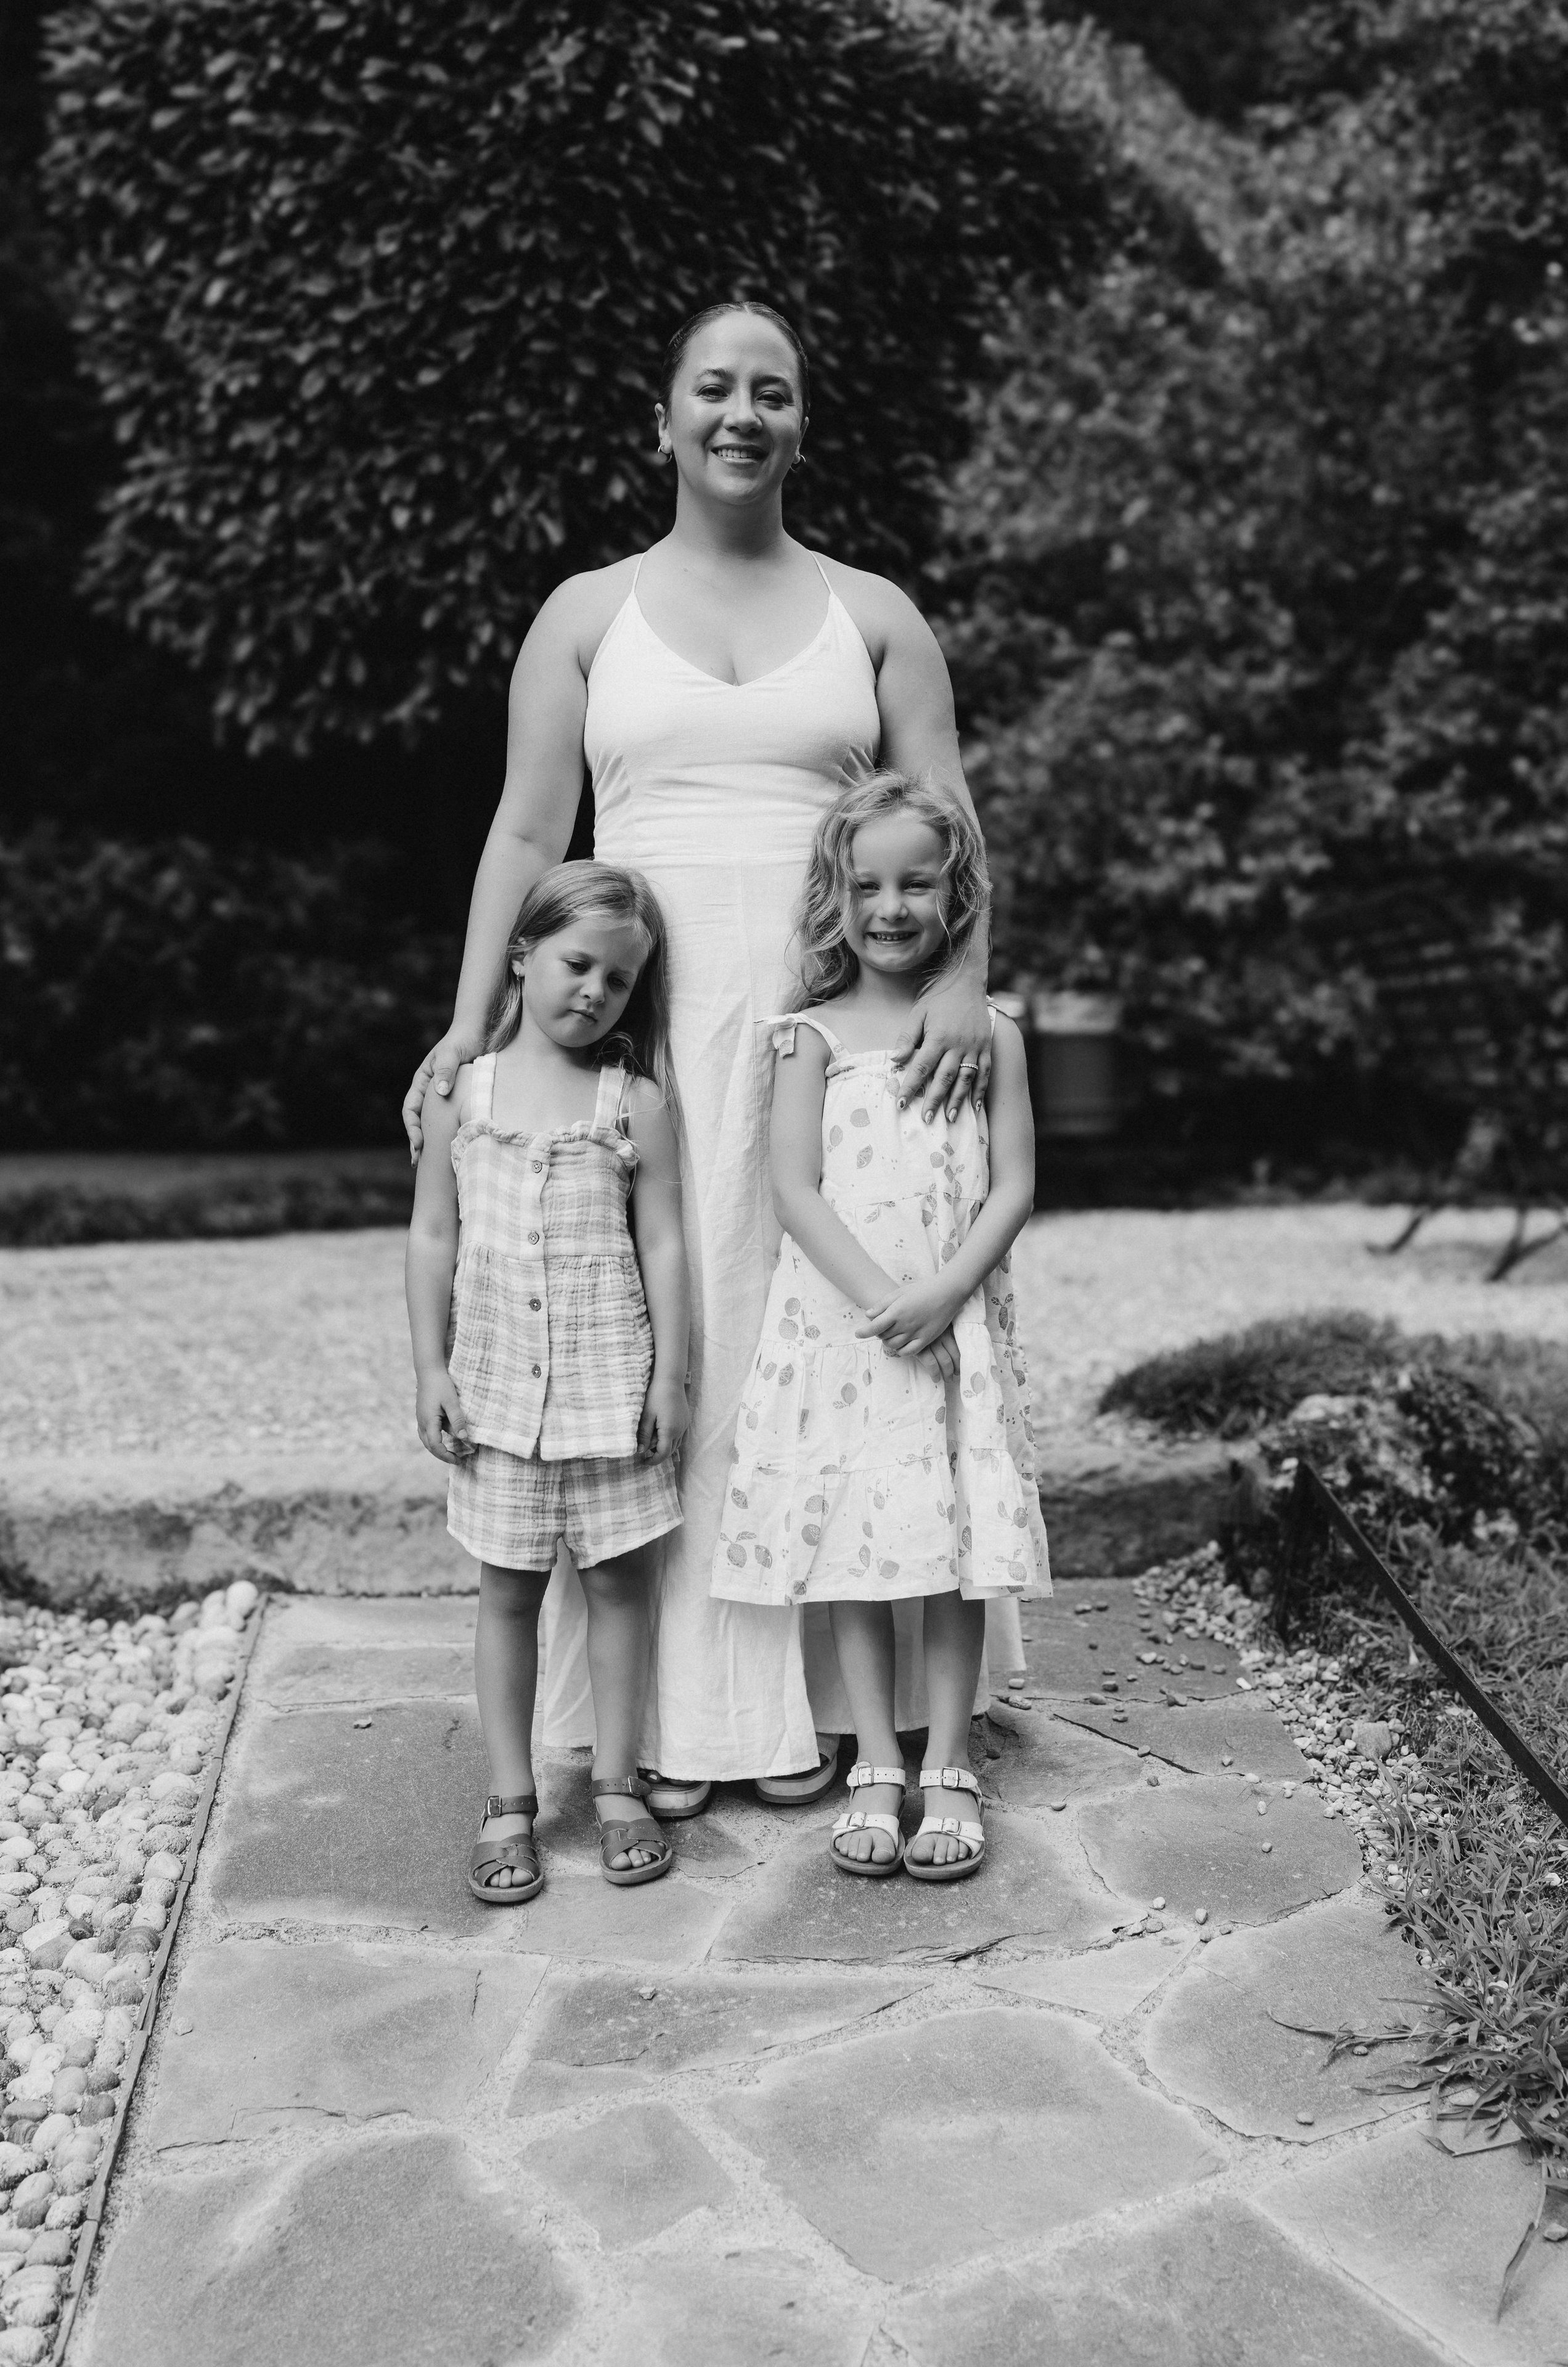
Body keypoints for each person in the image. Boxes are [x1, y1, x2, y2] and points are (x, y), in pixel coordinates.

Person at [401, 298, 997, 1810]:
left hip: (834, 1041)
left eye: (772, 393)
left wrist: (959, 989)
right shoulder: (584, 616)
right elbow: (526, 832)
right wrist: (472, 1024)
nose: (742, 414)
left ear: (802, 425)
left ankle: (846, 1714)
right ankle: (672, 1723)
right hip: (652, 1031)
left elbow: (950, 824)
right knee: (674, 1340)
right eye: (714, 389)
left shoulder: (875, 615)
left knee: (828, 1341)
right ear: (660, 420)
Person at [713, 774, 1049, 1880]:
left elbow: (1013, 1186)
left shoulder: (992, 1033)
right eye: (867, 885)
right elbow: (794, 1188)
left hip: (954, 1328)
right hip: (845, 1335)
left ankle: (947, 1759)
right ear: (837, 894)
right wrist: (882, 1303)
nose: (891, 907)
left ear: (958, 894)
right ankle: (873, 1756)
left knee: (952, 1551)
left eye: (917, 883)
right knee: (854, 1549)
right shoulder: (805, 1036)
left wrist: (945, 1293)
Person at [405, 862, 690, 1901]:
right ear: (521, 955)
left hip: (610, 1389)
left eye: (619, 980)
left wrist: (672, 1377)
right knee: (508, 1594)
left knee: (619, 1586)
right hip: (493, 1397)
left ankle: (615, 1782)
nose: (595, 992)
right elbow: (432, 1235)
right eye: (578, 964)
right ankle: (509, 1796)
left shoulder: (634, 1102)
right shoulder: (462, 1094)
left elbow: (664, 1244)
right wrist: (430, 1366)